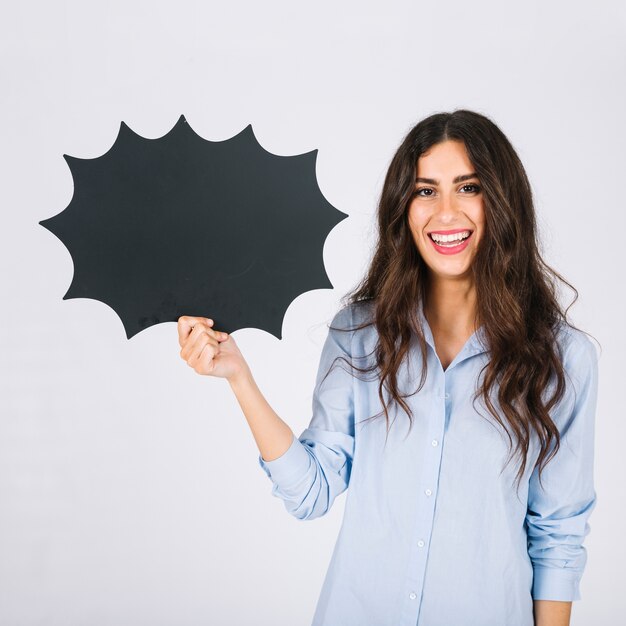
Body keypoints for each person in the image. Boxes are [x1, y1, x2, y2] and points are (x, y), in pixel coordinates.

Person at [176, 109, 599, 626]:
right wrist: (238, 376)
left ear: (502, 202)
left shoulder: (563, 359)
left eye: (468, 188)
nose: (446, 212)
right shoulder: (358, 336)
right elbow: (310, 493)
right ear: (403, 208)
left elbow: (558, 534)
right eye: (425, 191)